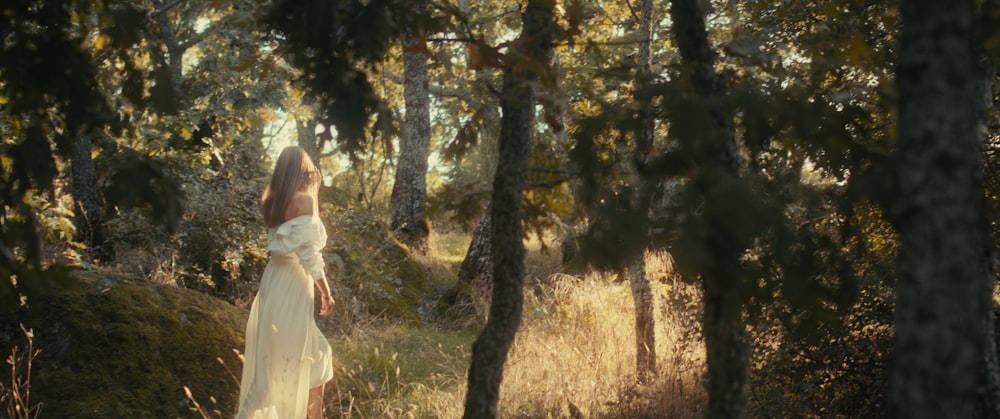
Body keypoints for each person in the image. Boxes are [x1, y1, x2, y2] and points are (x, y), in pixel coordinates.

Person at [237, 146, 335, 419]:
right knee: (287, 362)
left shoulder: (272, 200)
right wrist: (326, 293)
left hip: (274, 281)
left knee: (305, 355)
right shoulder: (304, 201)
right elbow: (309, 256)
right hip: (293, 283)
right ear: (301, 171)